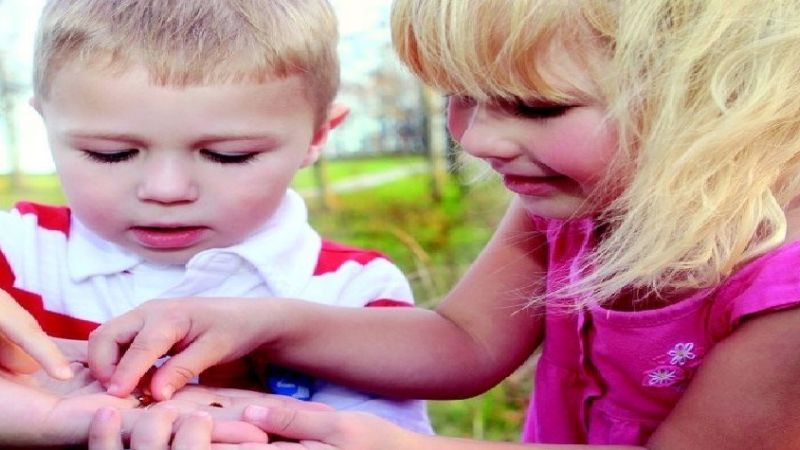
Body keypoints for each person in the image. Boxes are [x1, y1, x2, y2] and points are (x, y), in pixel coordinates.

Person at [88, 0, 800, 448]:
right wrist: (263, 322)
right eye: (460, 97)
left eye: (537, 106)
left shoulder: (784, 294)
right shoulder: (568, 206)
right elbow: (463, 344)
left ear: (722, 99)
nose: (479, 139)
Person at [0, 0, 432, 446]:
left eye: (229, 155)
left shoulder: (353, 295)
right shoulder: (17, 252)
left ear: (318, 136)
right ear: (45, 125)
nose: (166, 190)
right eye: (111, 153)